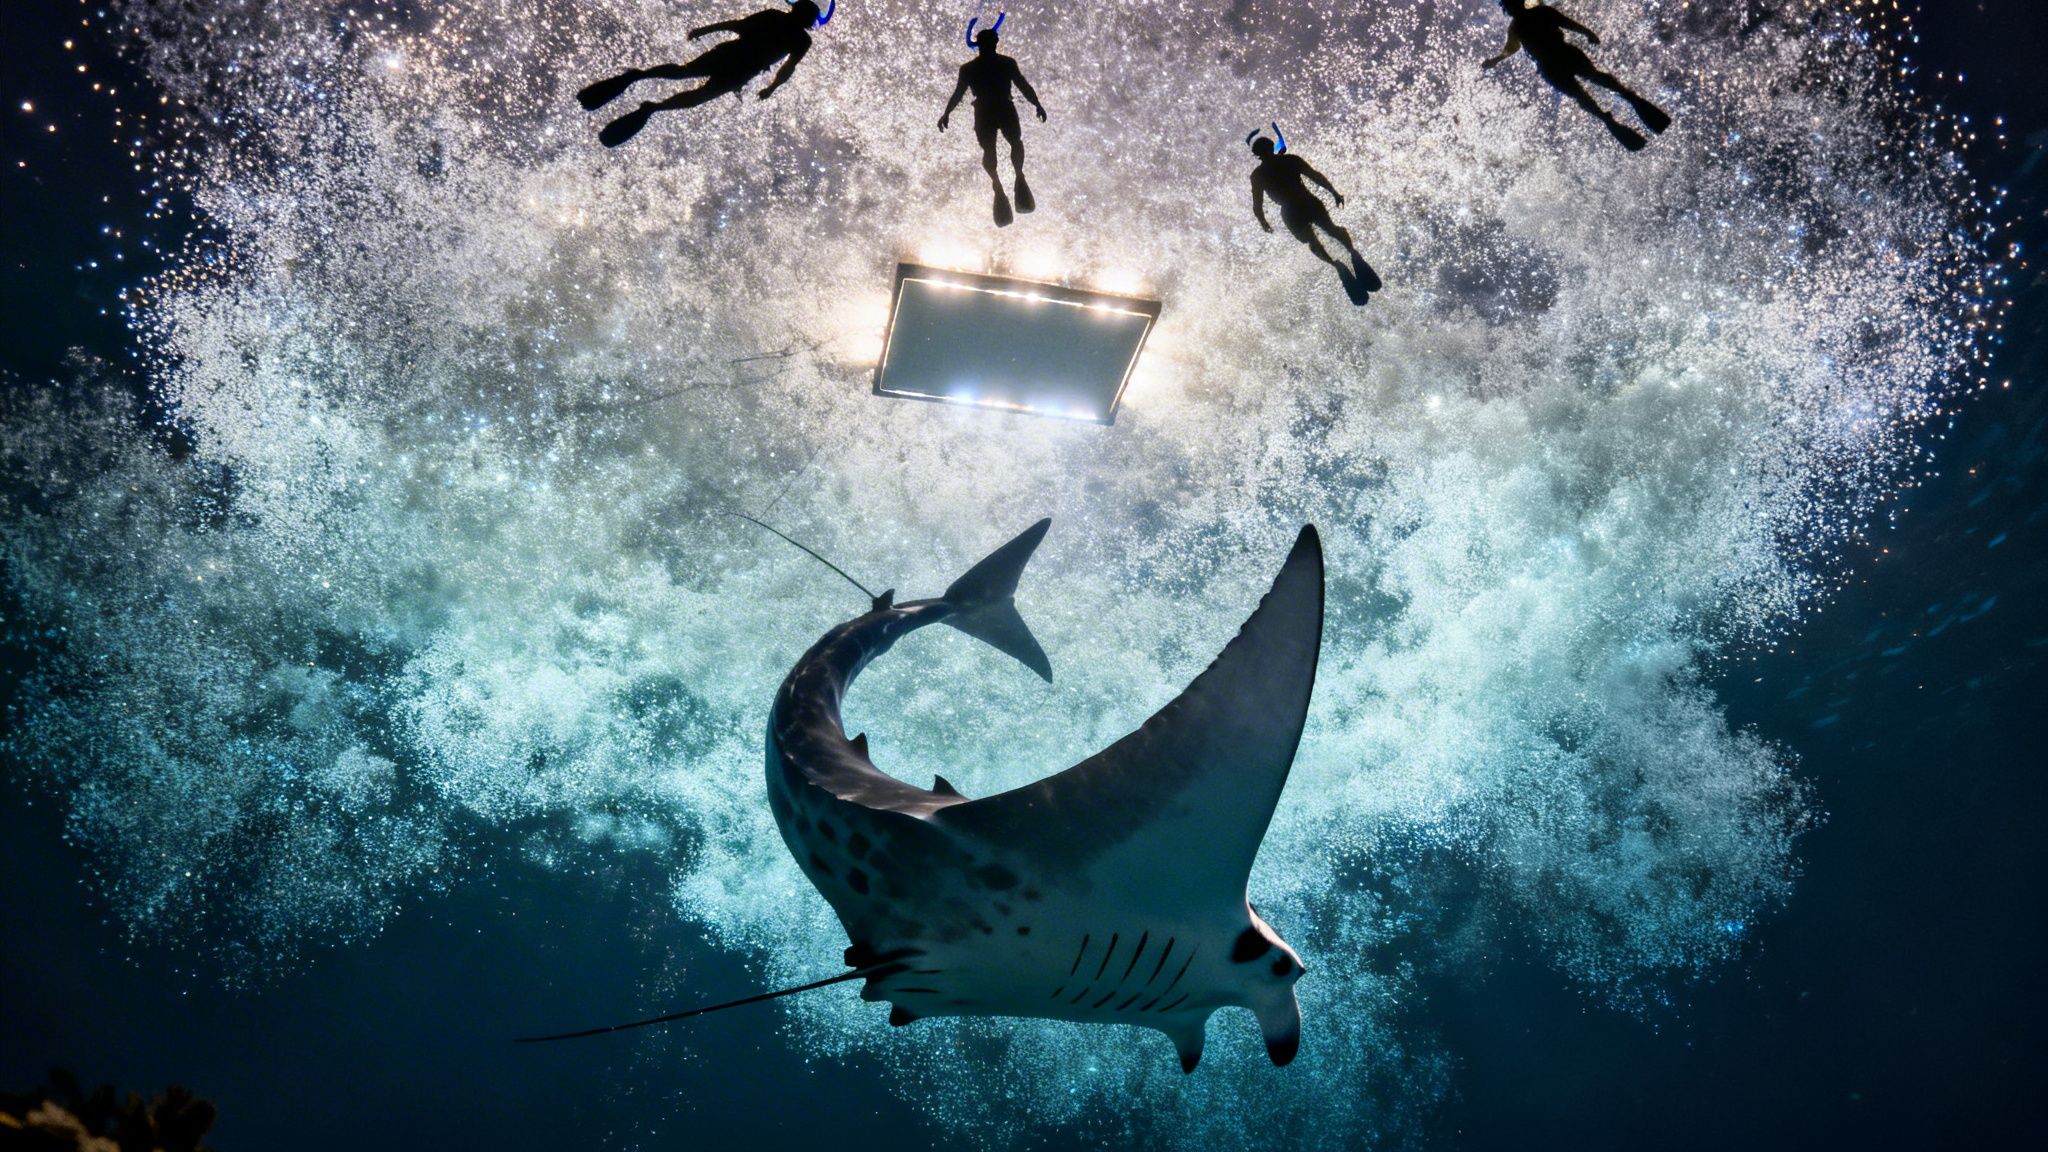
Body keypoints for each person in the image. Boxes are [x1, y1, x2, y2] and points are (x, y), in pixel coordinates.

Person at [579, 0, 833, 148]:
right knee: (693, 87)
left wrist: (705, 30)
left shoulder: (787, 27)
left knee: (686, 75)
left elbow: (738, 27)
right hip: (738, 67)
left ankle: (642, 85)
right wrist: (771, 89)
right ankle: (650, 102)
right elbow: (783, 65)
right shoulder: (795, 34)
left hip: (734, 62)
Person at [1482, 0, 1670, 151]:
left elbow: (1566, 23)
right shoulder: (1516, 28)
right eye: (1505, 6)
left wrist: (1587, 33)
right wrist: (1496, 60)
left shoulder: (1541, 13)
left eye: (1509, 4)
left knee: (1594, 78)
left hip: (1565, 55)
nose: (1508, 8)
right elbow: (1511, 48)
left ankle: (1628, 98)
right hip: (1551, 67)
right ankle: (1607, 117)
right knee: (1581, 94)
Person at [1248, 128, 1379, 303]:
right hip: (1306, 203)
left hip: (1292, 210)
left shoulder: (1259, 174)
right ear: (1271, 148)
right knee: (1331, 231)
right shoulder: (1290, 160)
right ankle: (1351, 254)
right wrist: (1334, 192)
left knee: (1314, 241)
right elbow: (1315, 176)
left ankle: (1338, 264)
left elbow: (1258, 205)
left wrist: (1263, 222)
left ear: (1258, 155)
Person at [939, 16, 1047, 227]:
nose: (992, 47)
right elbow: (958, 93)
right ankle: (1004, 182)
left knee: (1007, 145)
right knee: (1001, 147)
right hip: (994, 109)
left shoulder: (991, 65)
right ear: (986, 45)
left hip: (991, 109)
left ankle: (1012, 179)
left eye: (992, 44)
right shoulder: (988, 66)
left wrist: (1037, 104)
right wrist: (946, 113)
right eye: (990, 44)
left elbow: (1022, 85)